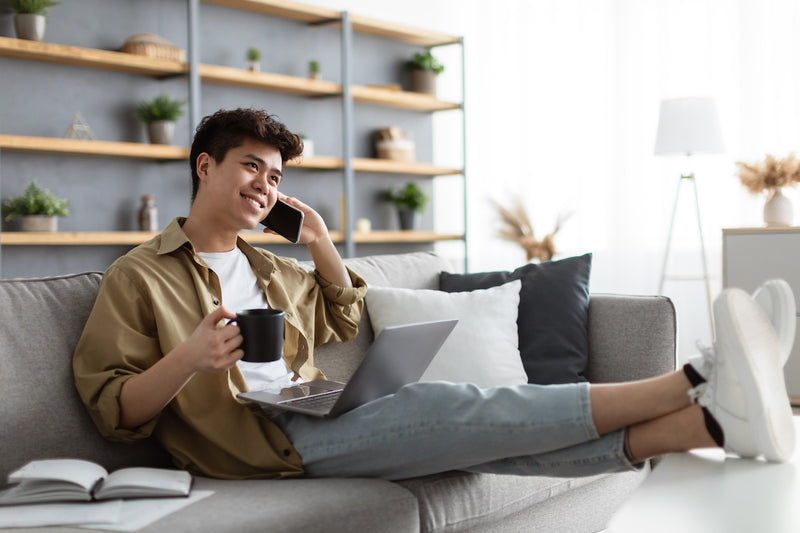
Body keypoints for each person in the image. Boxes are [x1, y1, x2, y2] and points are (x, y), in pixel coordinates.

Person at [73, 108, 796, 482]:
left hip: (309, 410)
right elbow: (115, 410)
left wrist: (320, 240)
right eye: (252, 168)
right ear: (205, 166)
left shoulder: (271, 270)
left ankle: (717, 428)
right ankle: (698, 378)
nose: (266, 186)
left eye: (276, 177)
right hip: (253, 447)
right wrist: (193, 357)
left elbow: (345, 311)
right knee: (444, 404)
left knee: (482, 443)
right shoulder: (139, 275)